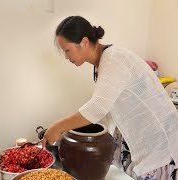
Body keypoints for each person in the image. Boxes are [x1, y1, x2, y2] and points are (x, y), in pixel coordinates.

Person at [42, 16, 178, 180]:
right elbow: (104, 107)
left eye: (67, 50)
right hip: (138, 136)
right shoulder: (103, 62)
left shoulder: (113, 59)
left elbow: (97, 108)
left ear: (84, 42)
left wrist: (56, 128)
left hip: (158, 139)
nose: (66, 56)